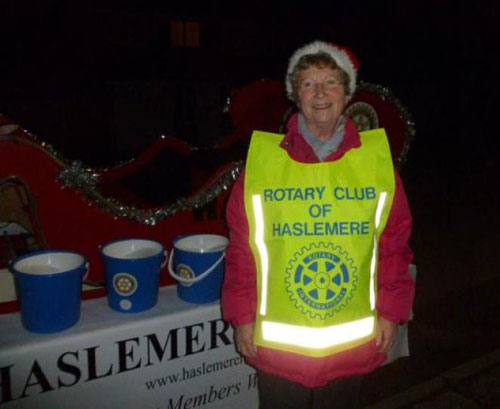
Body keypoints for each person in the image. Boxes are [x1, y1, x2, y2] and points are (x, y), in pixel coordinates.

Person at [221, 40, 414, 409]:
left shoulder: (375, 163)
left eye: (331, 82)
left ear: (347, 92)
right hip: (280, 348)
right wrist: (242, 317)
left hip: (349, 346)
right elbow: (242, 249)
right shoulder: (262, 166)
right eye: (309, 83)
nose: (321, 92)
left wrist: (392, 311)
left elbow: (394, 244)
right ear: (295, 94)